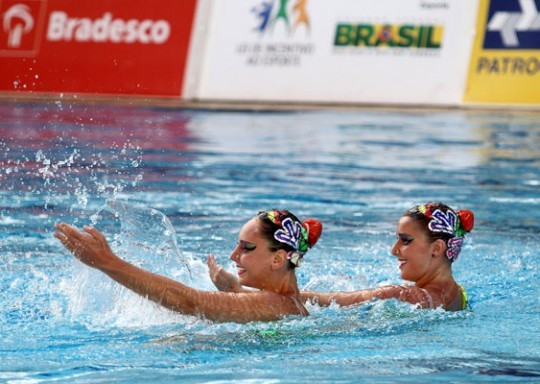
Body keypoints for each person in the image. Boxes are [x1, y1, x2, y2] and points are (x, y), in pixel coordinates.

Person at [54, 209, 322, 323]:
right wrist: (235, 291)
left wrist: (106, 262)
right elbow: (359, 298)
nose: (233, 255)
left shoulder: (276, 304)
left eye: (246, 247)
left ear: (278, 259)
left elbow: (190, 302)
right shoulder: (297, 301)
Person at [209, 202, 474, 311]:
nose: (394, 250)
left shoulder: (404, 296)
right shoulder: (455, 293)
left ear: (437, 248)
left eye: (405, 241)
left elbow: (332, 302)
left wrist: (238, 289)